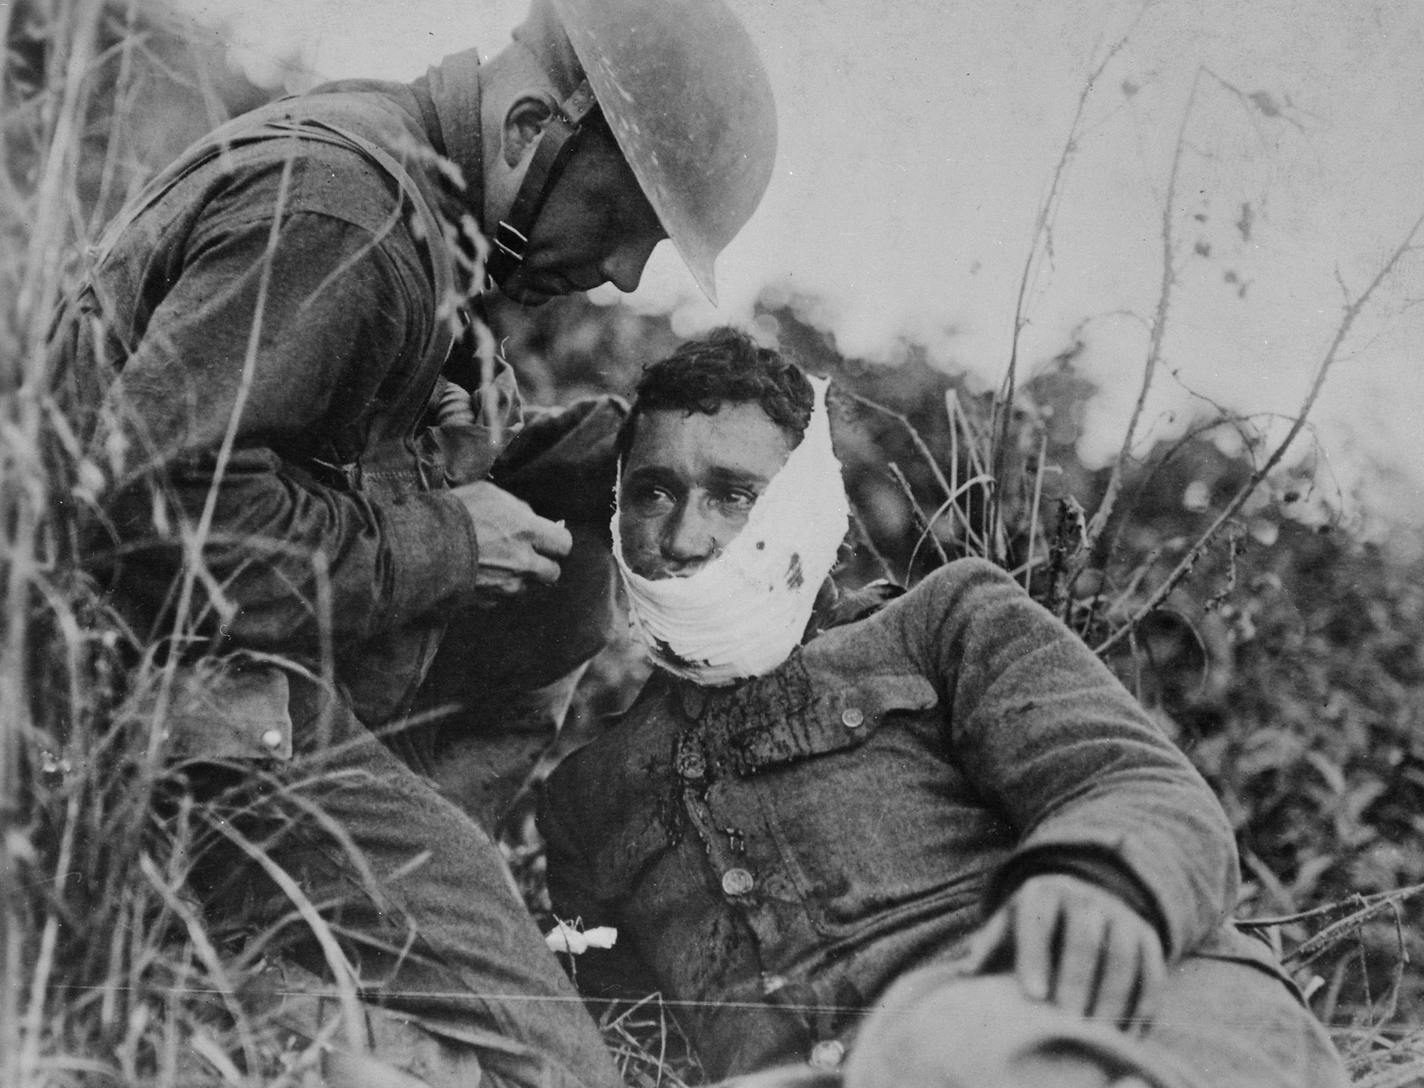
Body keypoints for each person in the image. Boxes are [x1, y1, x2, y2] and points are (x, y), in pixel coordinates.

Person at [47, 2, 775, 1085]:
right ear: (530, 126)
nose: (623, 272)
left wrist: (525, 453)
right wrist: (443, 538)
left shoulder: (413, 193)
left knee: (573, 569)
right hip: (135, 698)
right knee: (554, 1059)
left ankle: (345, 910)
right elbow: (147, 516)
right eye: (618, 215)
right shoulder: (352, 215)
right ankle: (267, 937)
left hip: (208, 671)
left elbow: (283, 448)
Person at [537, 329, 1351, 1088]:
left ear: (804, 507)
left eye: (732, 495)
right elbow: (626, 1035)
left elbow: (1136, 785)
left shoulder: (943, 622)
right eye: (653, 493)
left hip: (1085, 1014)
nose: (683, 537)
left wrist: (1100, 886)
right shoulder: (586, 799)